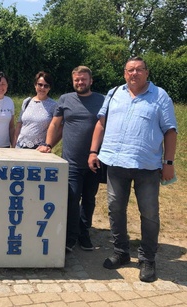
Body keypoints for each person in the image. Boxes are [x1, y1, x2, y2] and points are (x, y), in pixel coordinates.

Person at [88, 57, 177, 282]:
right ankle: (121, 252)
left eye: (138, 70)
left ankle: (147, 259)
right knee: (115, 209)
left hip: (147, 165)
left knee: (149, 213)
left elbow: (170, 131)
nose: (134, 74)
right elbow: (101, 123)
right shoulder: (114, 92)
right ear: (124, 73)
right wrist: (92, 151)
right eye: (130, 70)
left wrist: (168, 163)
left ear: (147, 72)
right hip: (116, 163)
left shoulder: (160, 96)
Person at [38, 66, 105, 252]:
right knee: (72, 198)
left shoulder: (102, 100)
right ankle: (70, 237)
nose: (80, 83)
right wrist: (48, 145)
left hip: (94, 161)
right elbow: (55, 123)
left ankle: (85, 234)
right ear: (72, 81)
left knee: (89, 199)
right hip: (71, 161)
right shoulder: (65, 99)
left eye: (83, 79)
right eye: (77, 80)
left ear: (91, 80)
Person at [13, 71, 57, 149]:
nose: (42, 88)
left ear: (49, 88)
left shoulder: (54, 105)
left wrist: (48, 146)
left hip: (38, 149)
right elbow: (19, 125)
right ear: (35, 85)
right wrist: (14, 145)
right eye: (40, 85)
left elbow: (57, 128)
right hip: (20, 146)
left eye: (46, 86)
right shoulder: (27, 101)